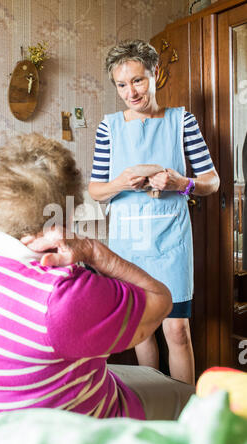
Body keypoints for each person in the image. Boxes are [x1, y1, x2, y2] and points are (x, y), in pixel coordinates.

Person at [0, 133, 194, 421]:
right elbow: (161, 301)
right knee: (191, 401)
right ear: (67, 209)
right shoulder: (66, 294)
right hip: (71, 433)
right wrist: (95, 252)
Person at [88, 40, 220, 386]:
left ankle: (186, 415)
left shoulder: (182, 122)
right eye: (121, 84)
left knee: (177, 331)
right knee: (142, 332)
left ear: (155, 74)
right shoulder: (109, 128)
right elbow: (96, 190)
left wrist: (182, 183)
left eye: (138, 80)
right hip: (128, 245)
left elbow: (212, 181)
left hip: (171, 241)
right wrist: (120, 182)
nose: (130, 92)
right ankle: (157, 411)